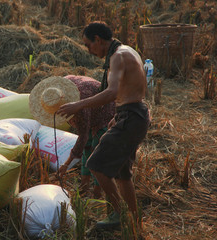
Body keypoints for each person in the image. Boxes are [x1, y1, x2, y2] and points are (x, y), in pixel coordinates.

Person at [57, 21, 150, 229]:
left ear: (98, 40)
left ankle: (120, 215)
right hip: (132, 114)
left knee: (96, 165)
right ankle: (134, 221)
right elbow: (130, 89)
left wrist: (78, 106)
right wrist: (118, 114)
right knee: (122, 174)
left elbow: (112, 92)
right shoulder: (126, 50)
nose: (89, 50)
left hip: (132, 116)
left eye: (89, 45)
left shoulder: (117, 56)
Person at [58, 75, 115, 199]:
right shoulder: (61, 88)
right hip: (90, 106)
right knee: (87, 149)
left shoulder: (80, 109)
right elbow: (84, 142)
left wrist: (66, 165)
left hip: (105, 110)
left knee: (96, 154)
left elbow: (82, 138)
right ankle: (84, 187)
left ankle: (97, 193)